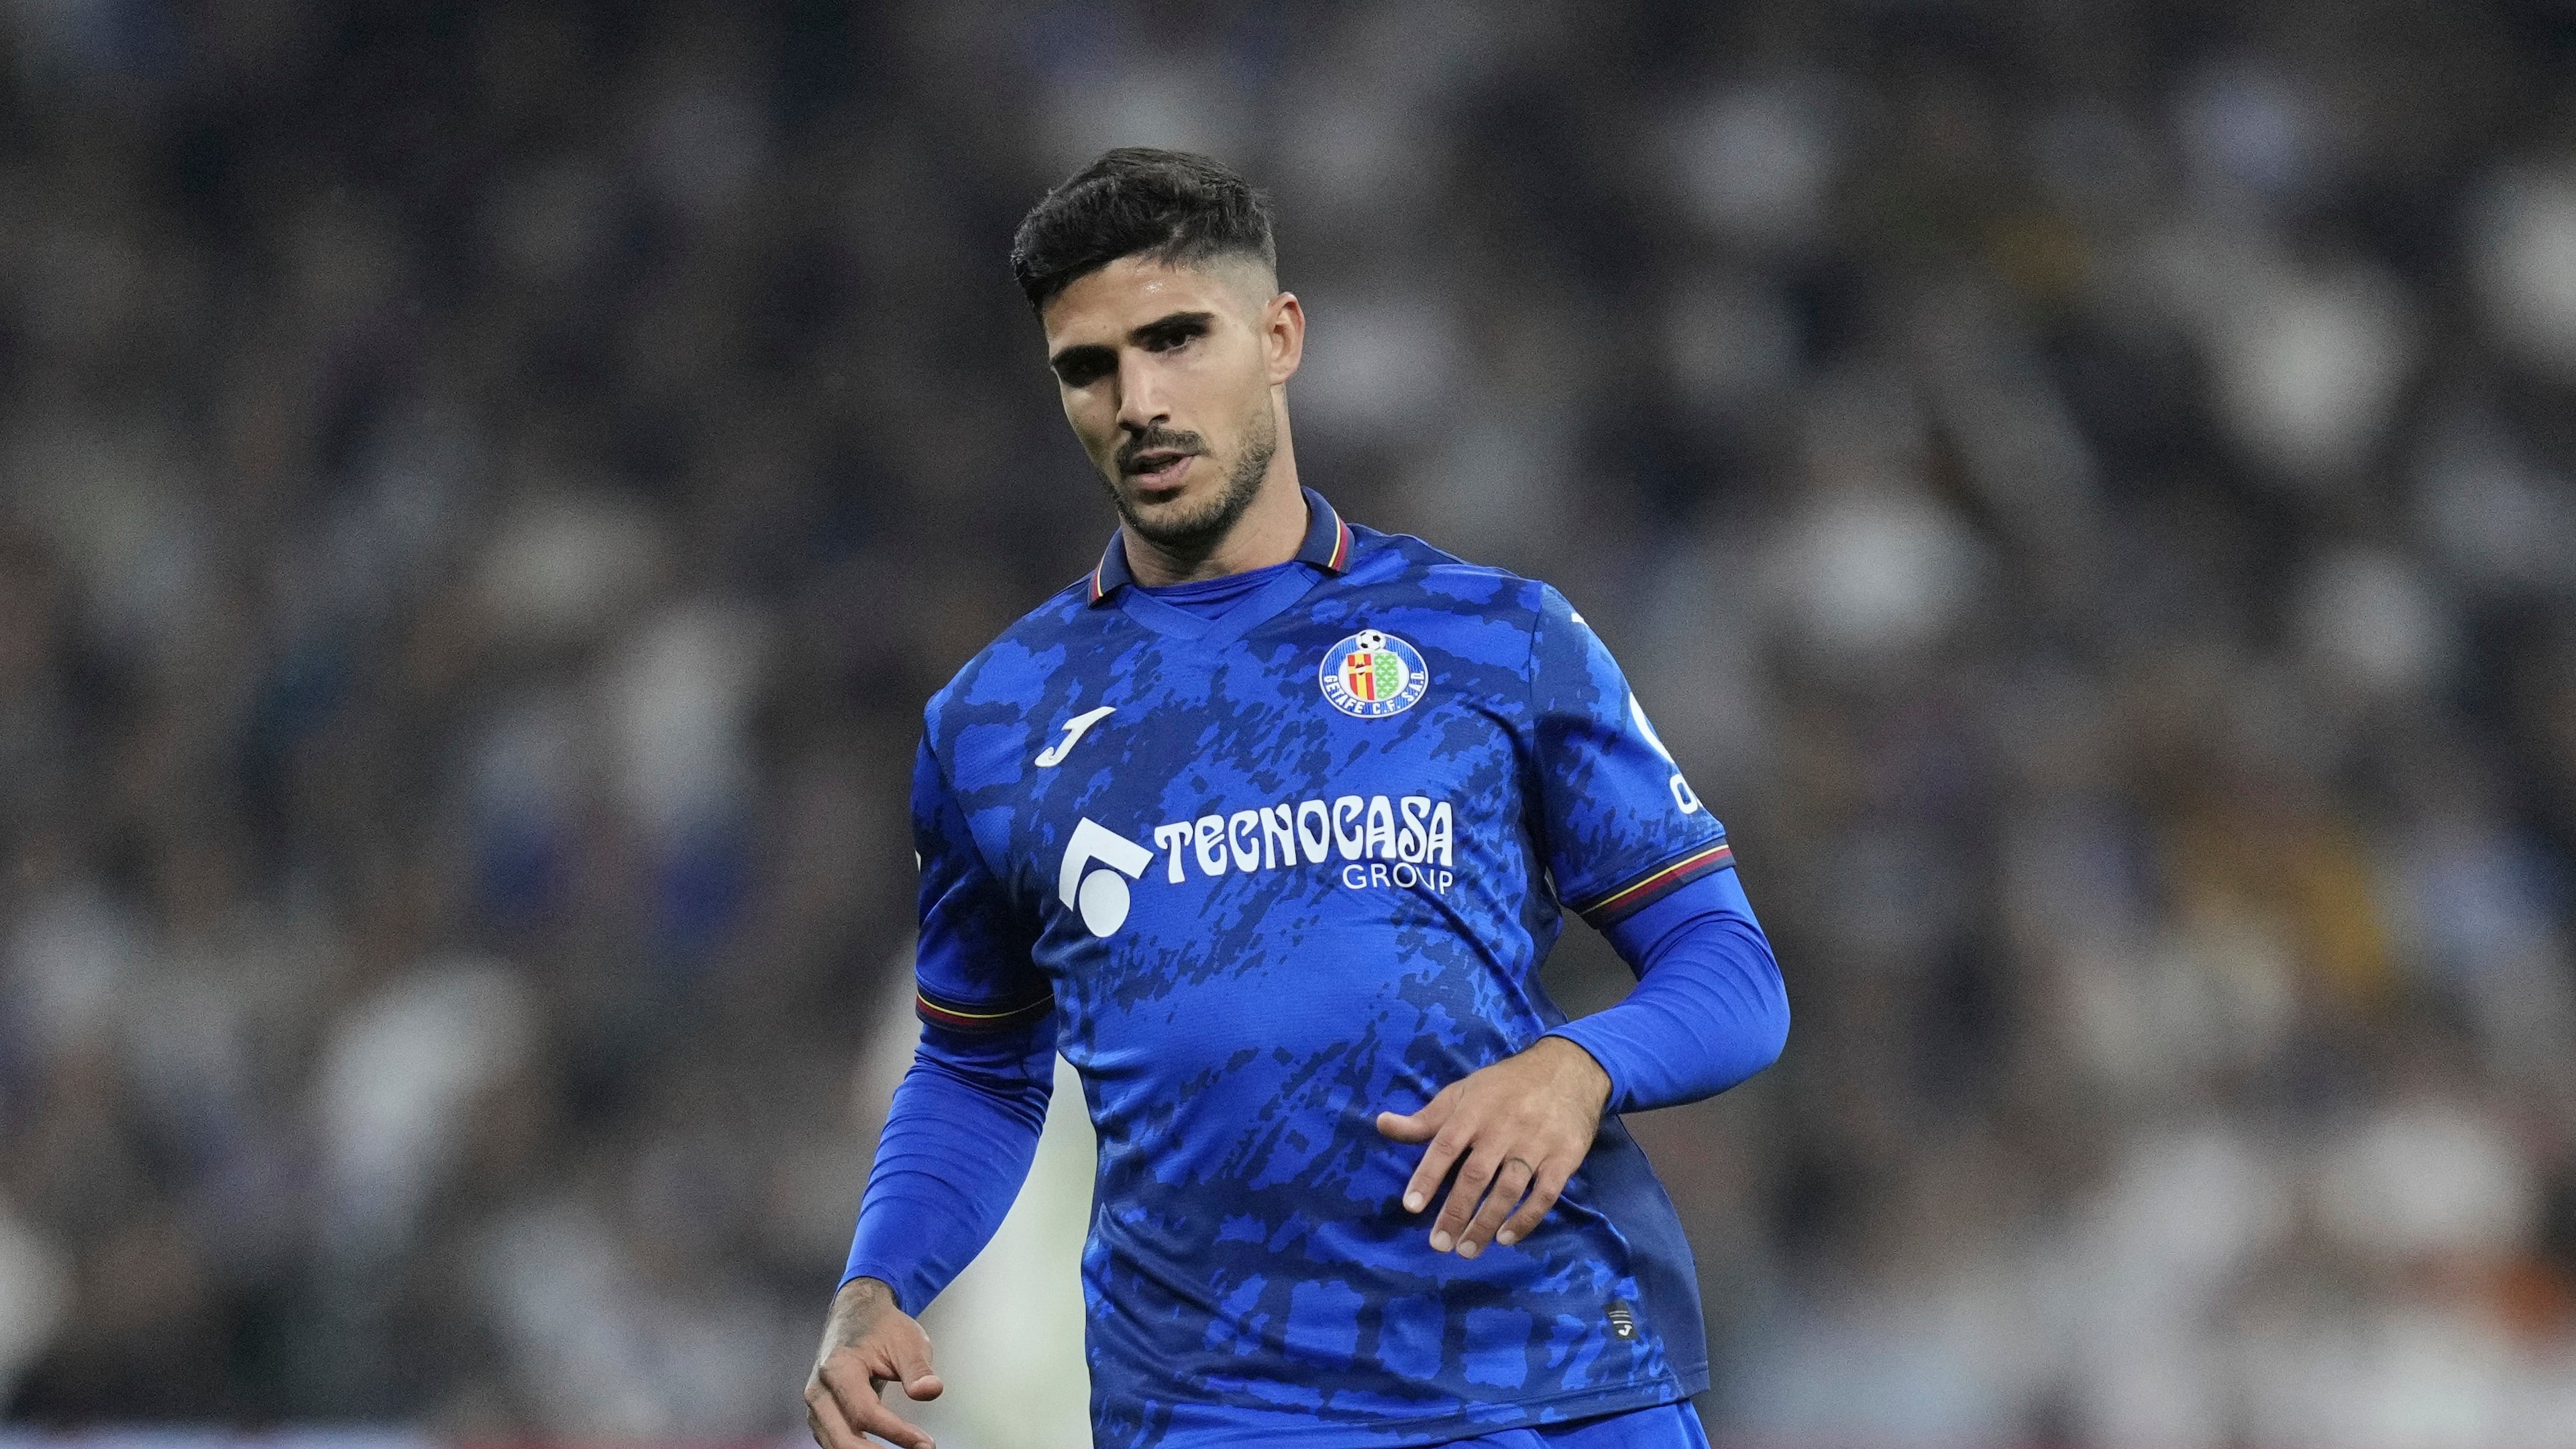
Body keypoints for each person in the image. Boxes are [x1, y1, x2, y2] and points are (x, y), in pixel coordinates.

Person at [803, 148, 1789, 1449]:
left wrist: (1580, 1066)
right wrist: (879, 1286)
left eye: (1175, 339)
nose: (1138, 400)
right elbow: (982, 1067)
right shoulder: (997, 720)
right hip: (1220, 1410)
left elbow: (1729, 968)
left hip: (1548, 1383)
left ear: (1279, 338)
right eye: (1089, 369)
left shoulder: (1499, 640)